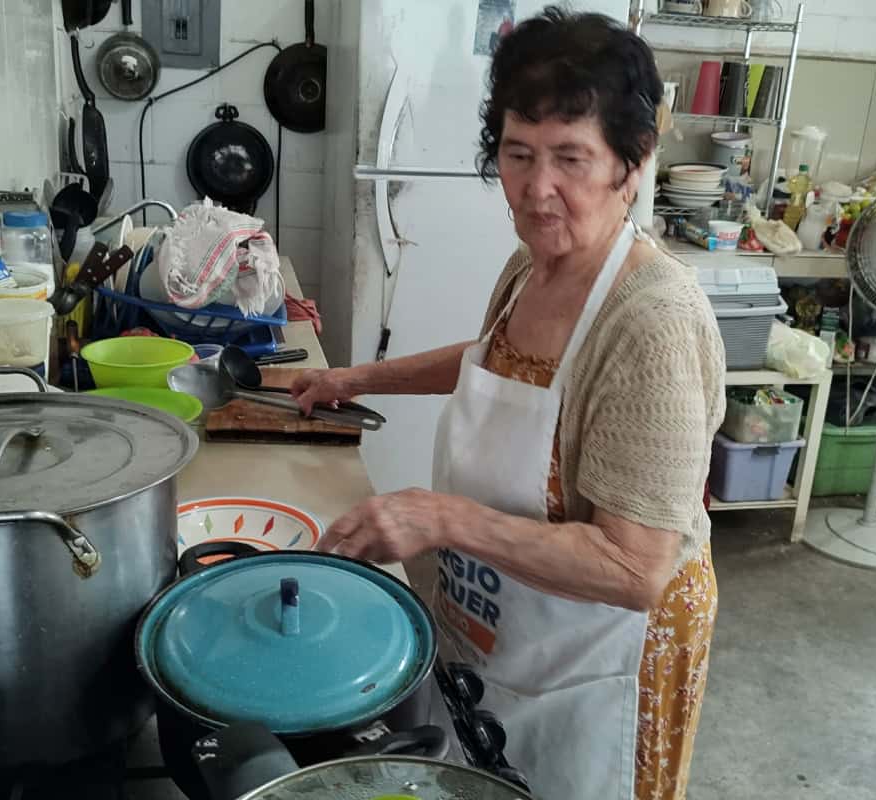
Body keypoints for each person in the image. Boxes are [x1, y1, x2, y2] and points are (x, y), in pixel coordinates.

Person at [292, 9, 725, 800]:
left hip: (608, 653)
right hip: (512, 616)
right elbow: (492, 364)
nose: (536, 188)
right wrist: (350, 381)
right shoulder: (533, 266)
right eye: (518, 154)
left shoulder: (652, 321)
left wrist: (443, 518)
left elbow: (636, 569)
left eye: (571, 158)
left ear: (632, 166)